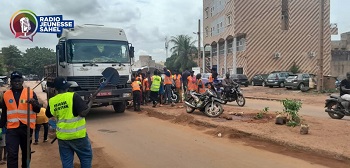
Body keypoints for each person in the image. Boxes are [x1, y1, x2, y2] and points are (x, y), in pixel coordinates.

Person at [45, 77, 93, 168]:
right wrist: (91, 101)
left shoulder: (52, 101)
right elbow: (83, 113)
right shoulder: (73, 96)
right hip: (78, 136)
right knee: (85, 157)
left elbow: (48, 114)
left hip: (63, 137)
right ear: (67, 87)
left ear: (55, 89)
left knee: (66, 161)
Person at [0, 71, 42, 168]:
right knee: (12, 153)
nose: (17, 82)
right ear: (11, 82)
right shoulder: (6, 94)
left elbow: (38, 109)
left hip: (26, 128)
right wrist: (0, 127)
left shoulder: (30, 92)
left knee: (26, 153)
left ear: (22, 81)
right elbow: (4, 113)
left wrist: (34, 103)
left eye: (19, 80)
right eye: (14, 80)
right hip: (12, 129)